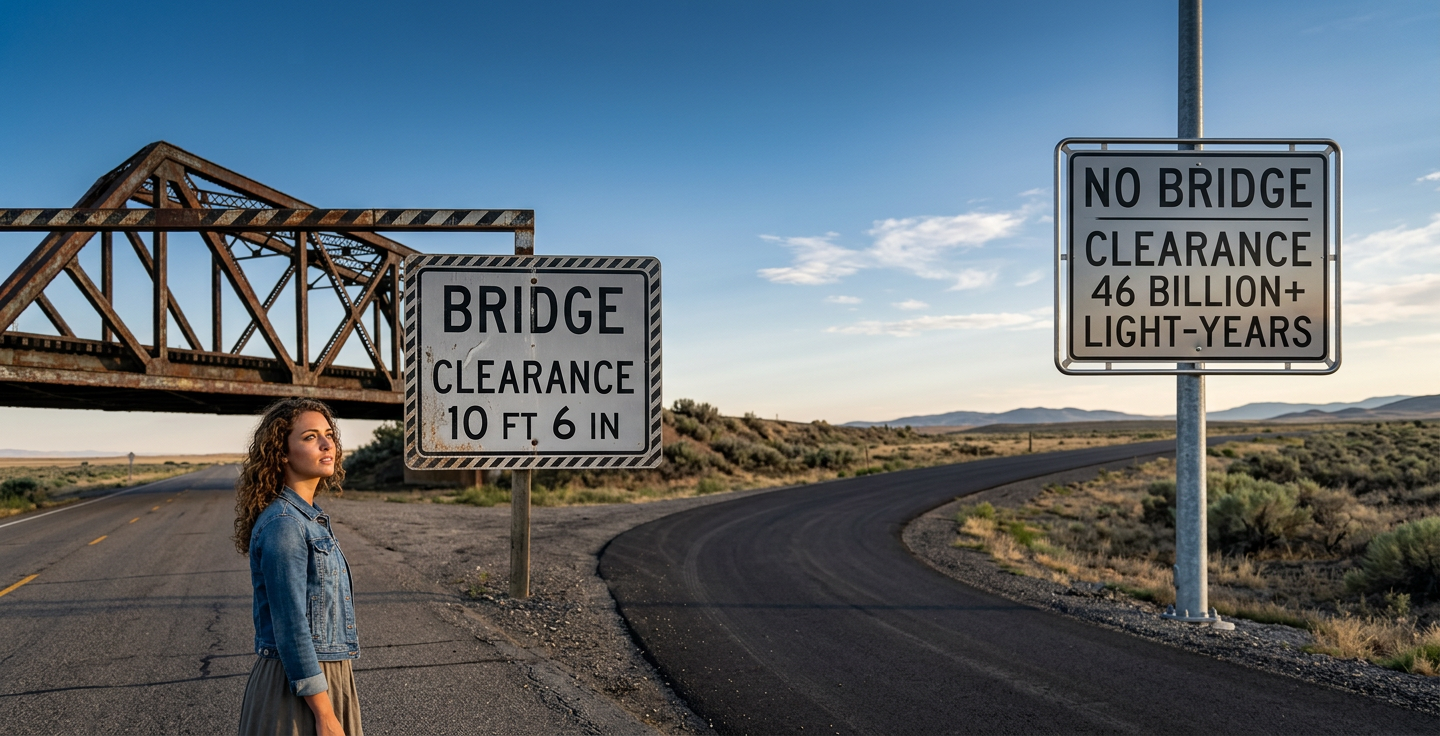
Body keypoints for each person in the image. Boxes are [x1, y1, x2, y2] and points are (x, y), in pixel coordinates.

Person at [234, 398, 362, 736]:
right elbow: (290, 625)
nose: (326, 444)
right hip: (297, 689)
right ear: (282, 453)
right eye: (310, 437)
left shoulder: (308, 517)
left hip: (322, 677)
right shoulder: (285, 524)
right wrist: (324, 713)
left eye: (328, 434)